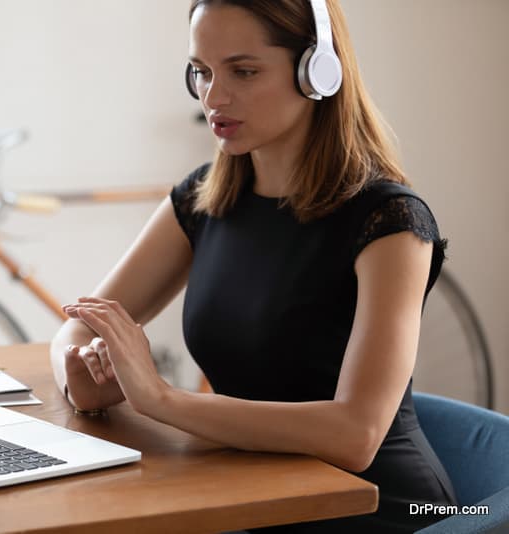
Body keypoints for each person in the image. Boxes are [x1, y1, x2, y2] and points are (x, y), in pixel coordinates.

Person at [49, 0, 457, 531]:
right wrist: (79, 376)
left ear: (317, 72)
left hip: (381, 510)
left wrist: (159, 399)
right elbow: (76, 327)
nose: (212, 97)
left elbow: (356, 436)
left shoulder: (390, 221)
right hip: (254, 495)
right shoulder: (204, 197)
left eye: (243, 71)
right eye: (201, 72)